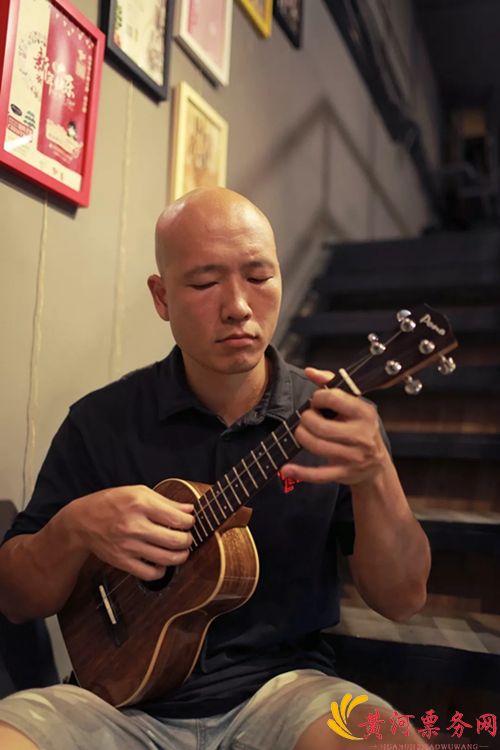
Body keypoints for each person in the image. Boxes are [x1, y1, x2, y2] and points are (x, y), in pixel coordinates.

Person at [0, 188, 431, 749]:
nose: (239, 307)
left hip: (287, 692)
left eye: (259, 276)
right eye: (205, 283)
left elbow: (403, 601)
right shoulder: (100, 422)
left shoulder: (337, 423)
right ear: (161, 297)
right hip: (115, 700)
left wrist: (376, 475)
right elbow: (15, 599)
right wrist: (76, 526)